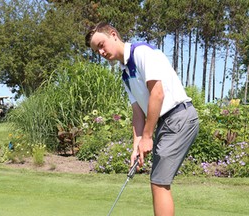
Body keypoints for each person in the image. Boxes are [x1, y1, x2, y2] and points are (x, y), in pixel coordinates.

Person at [85, 22, 199, 216]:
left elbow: (157, 94)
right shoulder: (125, 74)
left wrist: (147, 137)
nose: (101, 52)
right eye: (97, 51)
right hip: (166, 122)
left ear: (113, 34)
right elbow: (138, 113)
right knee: (158, 181)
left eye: (101, 45)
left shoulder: (141, 52)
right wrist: (136, 147)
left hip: (179, 116)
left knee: (159, 182)